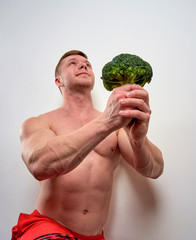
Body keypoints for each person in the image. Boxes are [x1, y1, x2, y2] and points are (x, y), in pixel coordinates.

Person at [12, 50, 164, 240]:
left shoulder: (118, 127)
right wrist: (106, 123)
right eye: (73, 63)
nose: (83, 65)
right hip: (47, 227)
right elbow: (39, 165)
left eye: (87, 64)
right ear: (58, 81)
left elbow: (154, 169)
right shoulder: (40, 122)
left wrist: (138, 139)